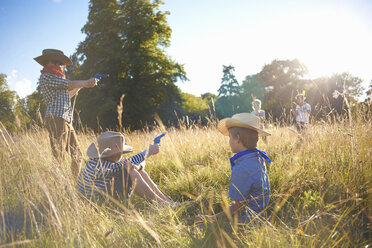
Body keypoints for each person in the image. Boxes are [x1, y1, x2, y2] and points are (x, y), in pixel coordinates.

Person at [195, 113, 271, 224]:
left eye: (230, 137)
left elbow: (237, 206)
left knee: (203, 228)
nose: (229, 141)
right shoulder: (258, 157)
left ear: (238, 138)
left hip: (246, 219)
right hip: (259, 213)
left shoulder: (242, 167)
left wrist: (212, 218)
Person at [34, 49, 98, 177]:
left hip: (65, 119)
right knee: (59, 156)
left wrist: (80, 87)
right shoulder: (46, 76)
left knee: (77, 155)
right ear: (50, 61)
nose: (61, 66)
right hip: (56, 118)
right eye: (59, 62)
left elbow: (66, 95)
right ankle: (58, 189)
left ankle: (75, 185)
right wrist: (85, 83)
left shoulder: (56, 77)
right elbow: (69, 83)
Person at [78, 131, 174, 206]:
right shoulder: (99, 165)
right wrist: (148, 152)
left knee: (136, 170)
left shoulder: (100, 160)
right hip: (96, 202)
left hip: (99, 197)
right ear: (116, 154)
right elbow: (125, 164)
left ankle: (166, 201)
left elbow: (126, 163)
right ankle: (160, 204)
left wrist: (139, 166)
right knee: (132, 172)